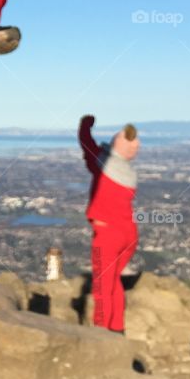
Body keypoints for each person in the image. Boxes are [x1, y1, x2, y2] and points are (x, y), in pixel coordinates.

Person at [79, 116, 141, 332]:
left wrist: (86, 122)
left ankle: (102, 331)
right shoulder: (129, 173)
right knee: (114, 281)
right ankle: (117, 328)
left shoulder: (104, 164)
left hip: (107, 234)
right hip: (129, 233)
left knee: (102, 287)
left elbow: (85, 140)